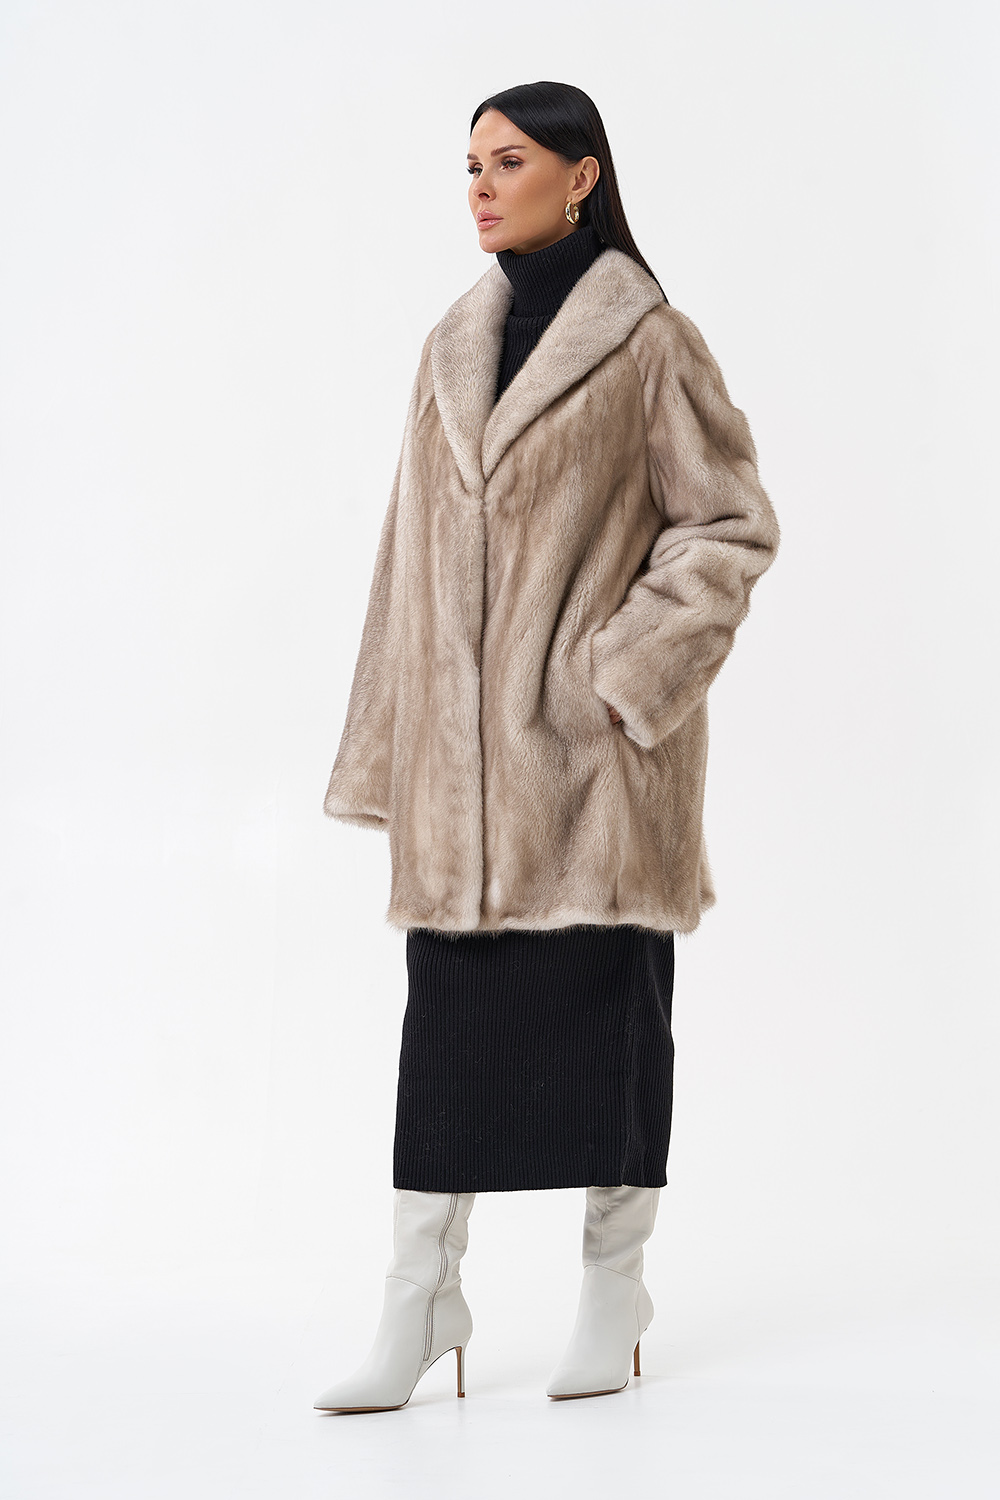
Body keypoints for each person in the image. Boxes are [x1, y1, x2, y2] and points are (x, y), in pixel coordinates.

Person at [314, 80, 780, 1413]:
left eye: (507, 161)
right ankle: (421, 1300)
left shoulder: (650, 342)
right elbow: (404, 562)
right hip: (461, 783)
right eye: (469, 164)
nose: (478, 186)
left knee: (607, 1034)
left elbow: (728, 527)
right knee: (444, 1049)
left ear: (582, 176)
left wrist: (618, 681)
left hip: (596, 776)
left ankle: (614, 1287)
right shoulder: (448, 347)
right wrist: (388, 750)